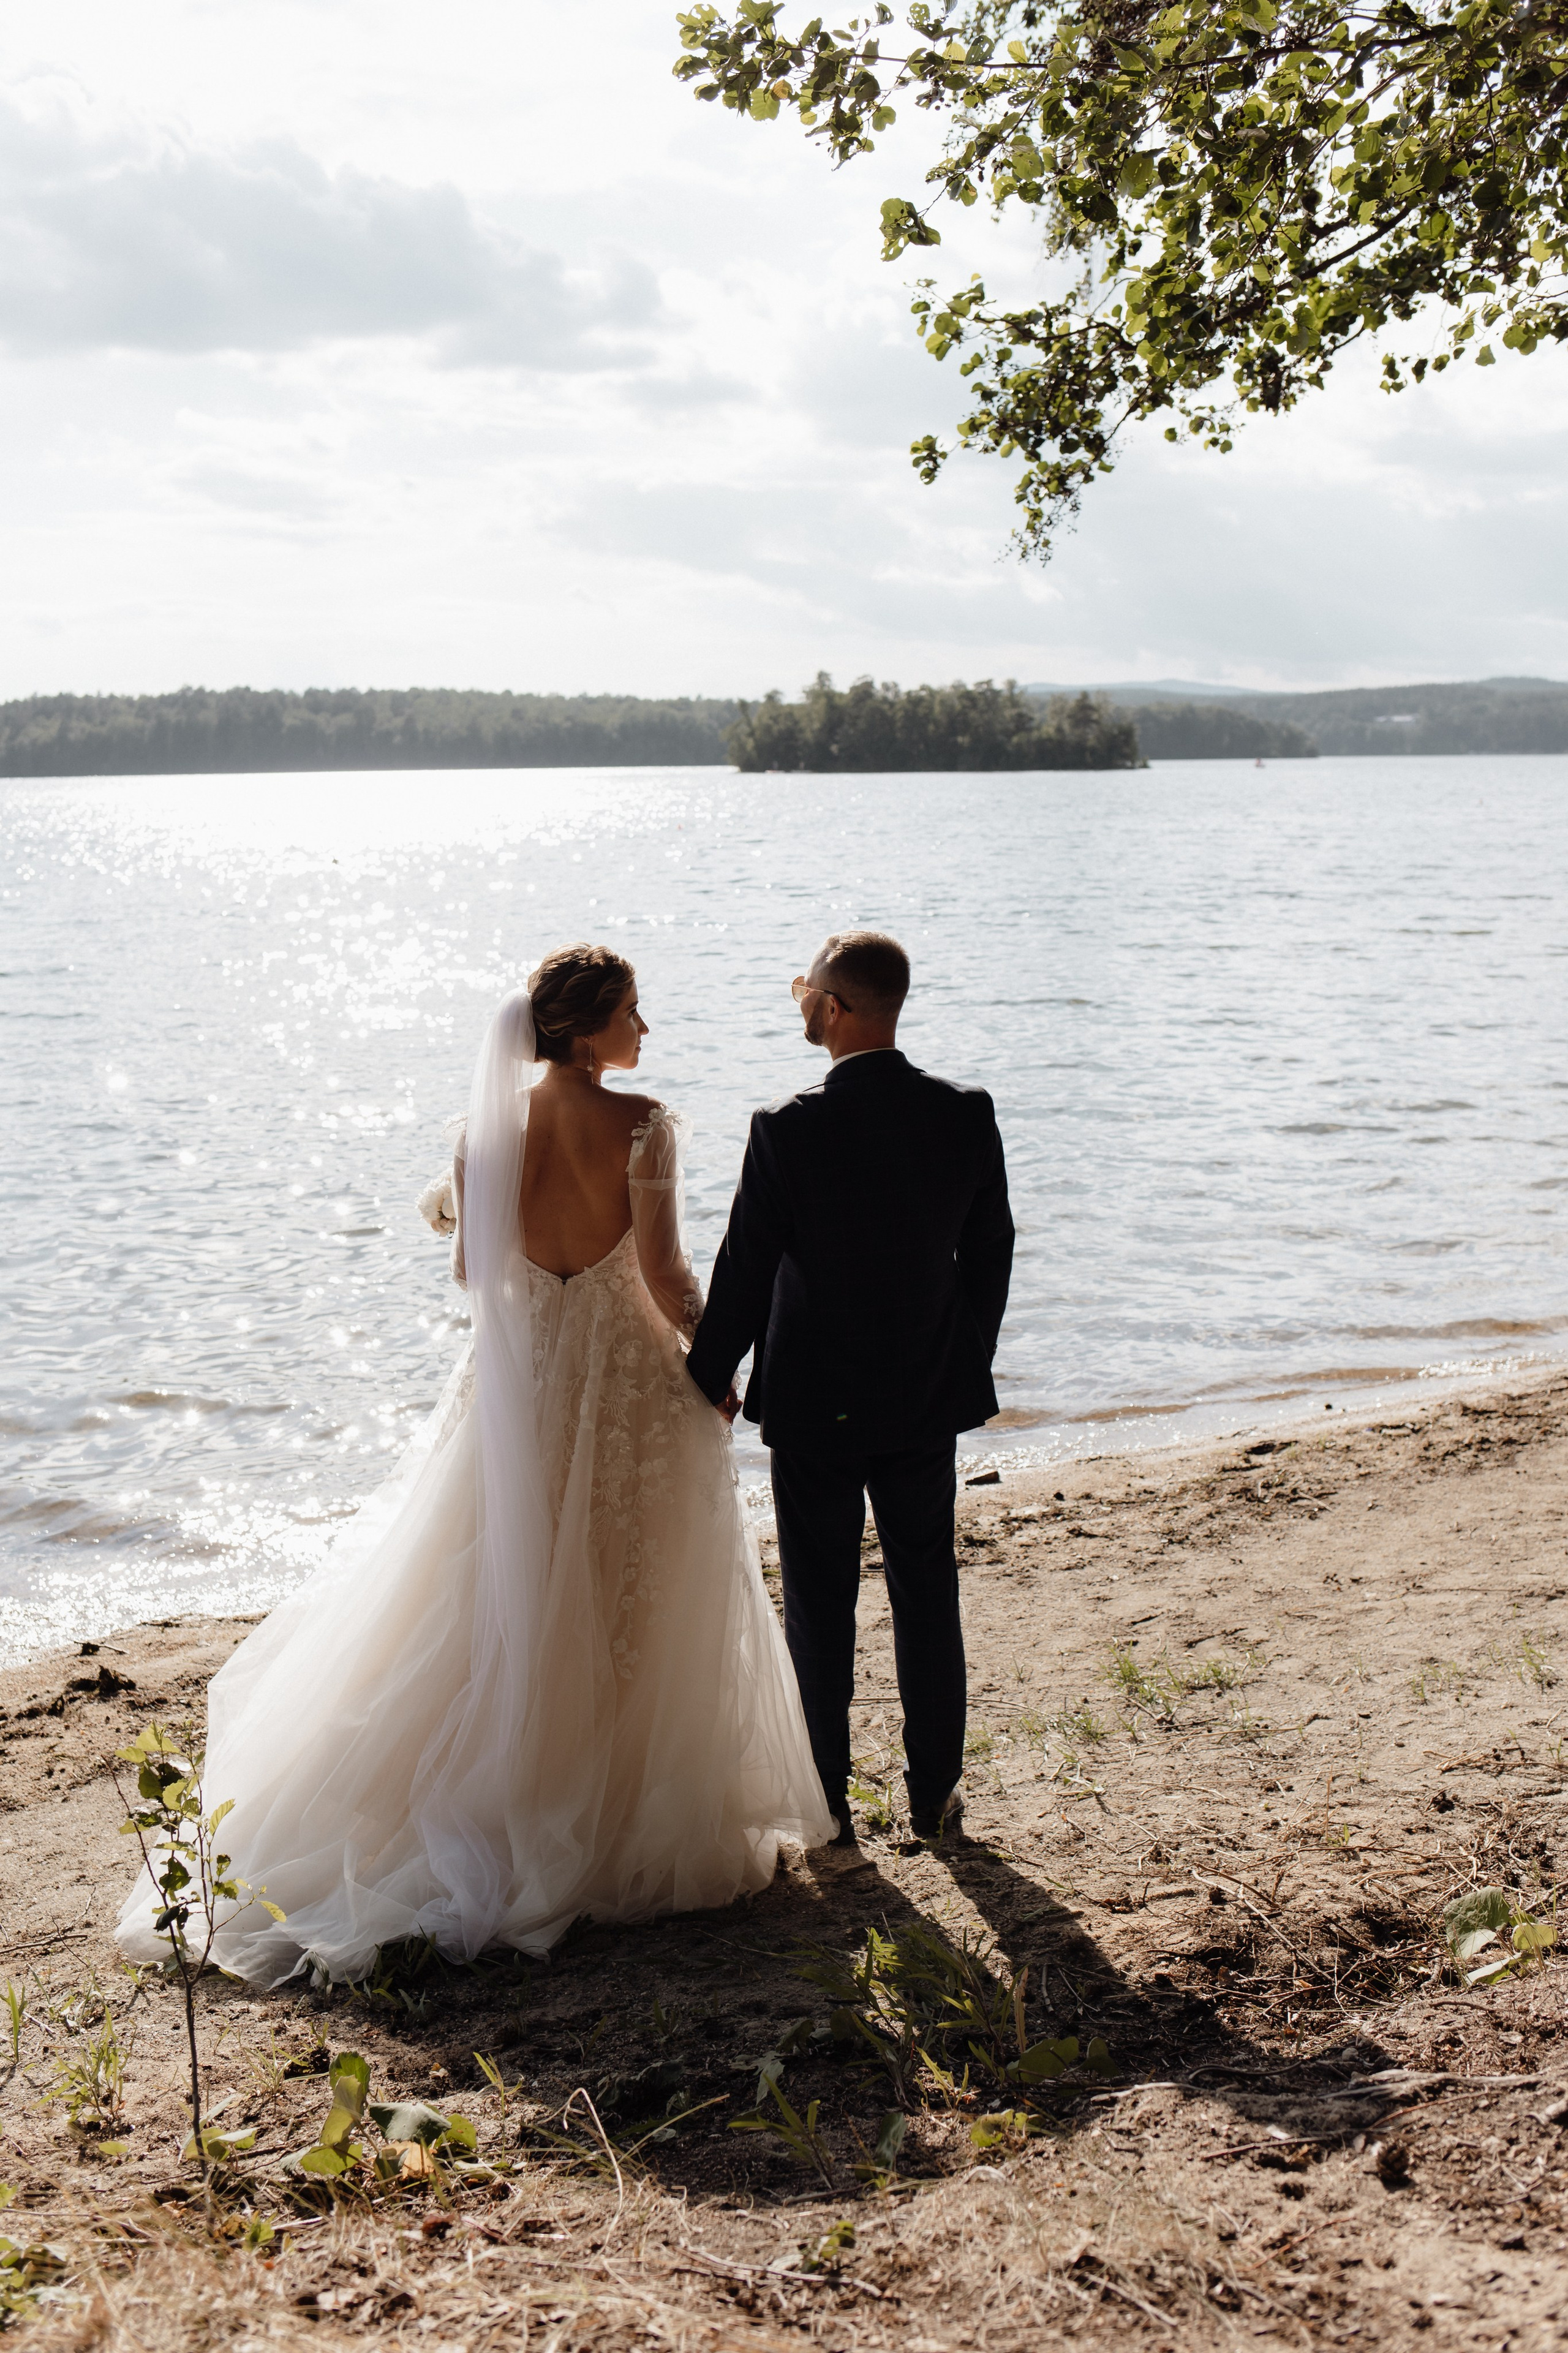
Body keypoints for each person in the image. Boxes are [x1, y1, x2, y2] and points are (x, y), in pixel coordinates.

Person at [115, 945, 831, 1988]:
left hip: (518, 1383)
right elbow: (667, 1274)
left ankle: (509, 1791)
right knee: (623, 1586)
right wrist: (711, 1363)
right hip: (622, 1384)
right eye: (636, 1011)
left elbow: (471, 1270)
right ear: (589, 1031)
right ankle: (608, 1804)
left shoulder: (480, 1131)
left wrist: (465, 1208)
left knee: (496, 1580)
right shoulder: (644, 1125)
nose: (648, 1030)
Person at [686, 932, 1014, 1845]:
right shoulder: (965, 1111)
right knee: (926, 1586)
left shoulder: (788, 1126)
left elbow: (745, 1269)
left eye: (806, 989)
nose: (800, 1002)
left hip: (815, 1403)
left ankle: (827, 1801)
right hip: (923, 1396)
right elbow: (991, 1248)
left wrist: (705, 1378)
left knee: (821, 1603)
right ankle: (937, 1794)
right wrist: (963, 1356)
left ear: (833, 1007)